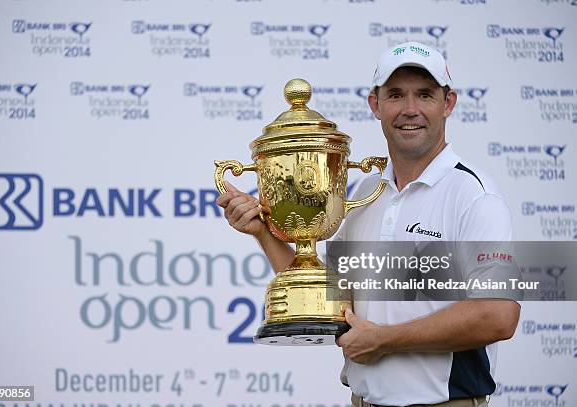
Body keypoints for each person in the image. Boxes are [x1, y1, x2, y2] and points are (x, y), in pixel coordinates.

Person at [216, 41, 520, 407]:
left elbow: (499, 315)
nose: (410, 110)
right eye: (395, 95)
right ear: (375, 104)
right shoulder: (362, 194)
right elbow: (328, 300)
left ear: (448, 103)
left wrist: (385, 339)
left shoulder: (474, 196)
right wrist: (263, 231)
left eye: (424, 94)